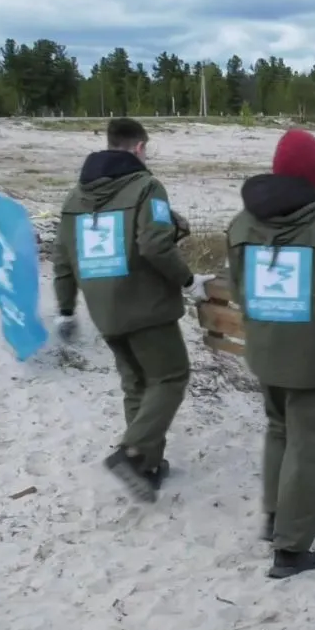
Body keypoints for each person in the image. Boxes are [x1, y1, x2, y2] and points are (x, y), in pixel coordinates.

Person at [225, 128, 315, 579]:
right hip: (308, 359)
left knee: (277, 430)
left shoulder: (242, 224)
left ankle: (273, 517)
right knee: (306, 445)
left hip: (264, 350)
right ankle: (291, 548)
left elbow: (240, 293)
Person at [50, 117, 208, 503]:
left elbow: (63, 259)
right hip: (147, 308)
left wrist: (67, 309)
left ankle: (148, 467)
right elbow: (155, 245)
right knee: (170, 377)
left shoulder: (75, 197)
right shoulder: (147, 188)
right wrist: (189, 282)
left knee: (136, 383)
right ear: (139, 147)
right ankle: (133, 451)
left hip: (104, 311)